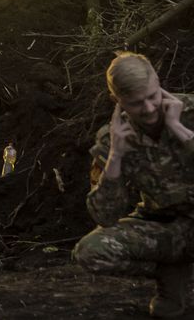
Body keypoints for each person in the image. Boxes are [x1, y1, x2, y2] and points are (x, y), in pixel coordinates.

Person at [73, 52, 194, 318]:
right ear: (117, 101)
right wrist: (116, 155)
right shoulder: (113, 138)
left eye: (152, 96)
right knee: (90, 251)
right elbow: (105, 216)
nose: (149, 109)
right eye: (136, 103)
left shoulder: (190, 111)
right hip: (165, 231)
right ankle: (171, 271)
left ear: (158, 82)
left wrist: (180, 130)